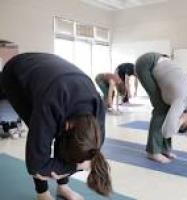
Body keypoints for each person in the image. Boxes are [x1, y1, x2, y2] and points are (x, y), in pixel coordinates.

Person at [1, 53, 112, 200]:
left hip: (56, 76)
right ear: (67, 126)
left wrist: (73, 166)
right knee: (39, 132)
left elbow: (88, 151)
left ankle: (63, 188)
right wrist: (76, 167)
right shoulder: (49, 105)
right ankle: (42, 193)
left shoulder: (97, 110)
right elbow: (36, 165)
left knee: (71, 142)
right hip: (15, 74)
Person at [135, 52, 187, 164]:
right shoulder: (181, 102)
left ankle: (165, 149)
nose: (178, 121)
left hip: (161, 61)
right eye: (180, 123)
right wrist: (182, 119)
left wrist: (185, 119)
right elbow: (167, 131)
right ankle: (153, 152)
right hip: (146, 63)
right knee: (160, 109)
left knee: (166, 109)